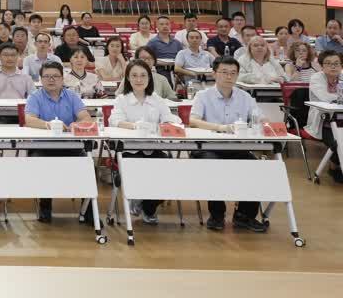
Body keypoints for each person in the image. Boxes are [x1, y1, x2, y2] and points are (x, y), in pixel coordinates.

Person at [189, 56, 267, 232]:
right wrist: (220, 128)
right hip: (208, 147)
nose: (229, 76)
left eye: (233, 73)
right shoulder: (203, 96)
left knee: (255, 168)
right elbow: (193, 121)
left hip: (237, 147)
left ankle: (244, 216)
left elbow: (260, 118)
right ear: (214, 74)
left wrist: (266, 124)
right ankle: (217, 215)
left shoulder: (245, 97)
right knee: (214, 167)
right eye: (224, 72)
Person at [108, 59, 181, 224]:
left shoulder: (156, 99)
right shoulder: (121, 99)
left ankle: (147, 206)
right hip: (129, 150)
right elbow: (115, 120)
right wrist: (135, 126)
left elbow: (169, 118)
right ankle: (140, 200)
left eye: (143, 75)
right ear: (128, 78)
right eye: (134, 75)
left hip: (154, 148)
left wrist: (170, 122)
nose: (139, 79)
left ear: (149, 78)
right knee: (140, 170)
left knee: (169, 174)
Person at [24, 62, 92, 223]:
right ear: (41, 79)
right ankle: (45, 205)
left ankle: (88, 211)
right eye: (47, 76)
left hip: (70, 146)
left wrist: (76, 125)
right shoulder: (35, 97)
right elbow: (29, 120)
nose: (51, 80)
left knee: (88, 167)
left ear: (62, 79)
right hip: (42, 147)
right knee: (41, 165)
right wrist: (49, 125)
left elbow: (86, 118)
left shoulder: (72, 96)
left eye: (55, 76)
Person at [307, 50, 343, 182]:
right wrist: (339, 98)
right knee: (337, 143)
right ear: (322, 66)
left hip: (341, 118)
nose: (333, 66)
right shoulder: (316, 78)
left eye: (336, 63)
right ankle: (334, 167)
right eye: (328, 63)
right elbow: (325, 97)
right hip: (324, 121)